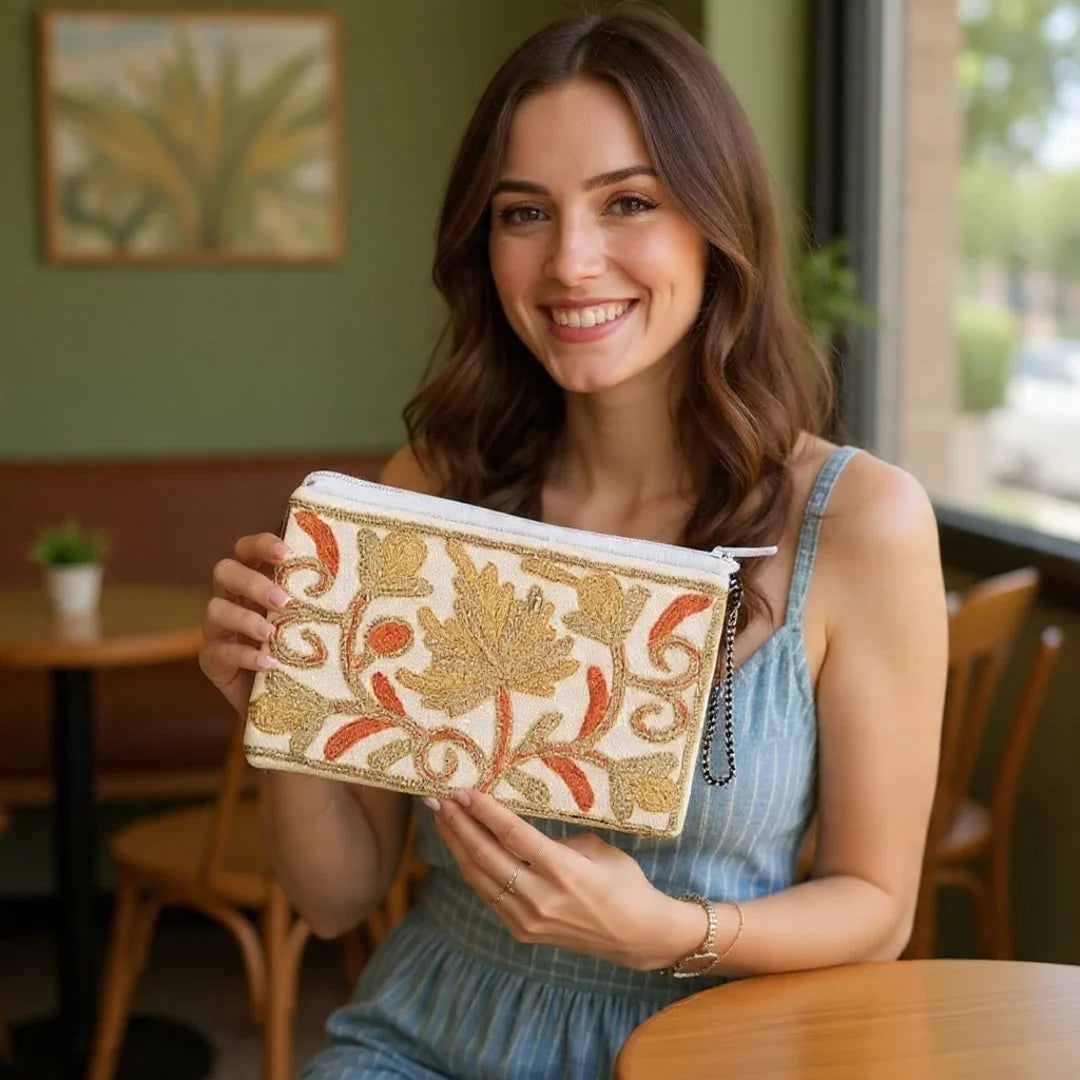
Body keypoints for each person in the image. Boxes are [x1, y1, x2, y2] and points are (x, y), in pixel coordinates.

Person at [198, 3, 948, 1076]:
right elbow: (335, 898)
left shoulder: (860, 524)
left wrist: (671, 932)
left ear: (714, 221)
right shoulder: (433, 494)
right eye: (523, 214)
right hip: (423, 1036)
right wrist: (282, 706)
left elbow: (878, 909)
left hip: (712, 1046)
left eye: (628, 201)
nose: (571, 263)